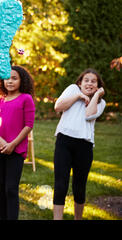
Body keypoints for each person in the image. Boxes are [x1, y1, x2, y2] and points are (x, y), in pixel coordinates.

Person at [52, 68, 106, 220]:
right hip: (64, 142)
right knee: (61, 184)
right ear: (80, 83)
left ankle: (78, 218)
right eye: (86, 80)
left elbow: (89, 115)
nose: (89, 83)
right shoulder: (72, 89)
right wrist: (78, 96)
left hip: (84, 146)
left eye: (93, 81)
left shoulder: (101, 102)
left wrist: (95, 95)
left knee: (79, 187)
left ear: (98, 85)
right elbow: (58, 106)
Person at [0, 65, 35, 220]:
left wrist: (12, 144)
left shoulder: (26, 99)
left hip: (16, 149)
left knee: (11, 189)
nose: (10, 81)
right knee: (1, 188)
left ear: (22, 81)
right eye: (7, 78)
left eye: (14, 78)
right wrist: (1, 142)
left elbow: (28, 125)